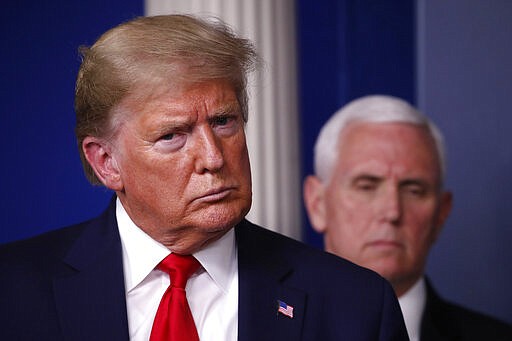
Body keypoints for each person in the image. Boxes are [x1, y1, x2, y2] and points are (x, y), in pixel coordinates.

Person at [0, 15, 408, 341]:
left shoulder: (355, 306)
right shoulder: (13, 293)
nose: (213, 158)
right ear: (107, 161)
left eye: (224, 121)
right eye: (172, 136)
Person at [303, 94, 512, 341]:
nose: (392, 212)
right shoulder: (264, 330)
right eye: (366, 186)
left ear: (441, 214)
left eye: (414, 190)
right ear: (318, 204)